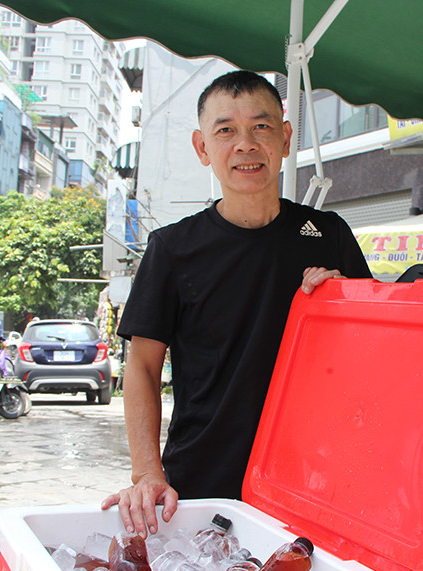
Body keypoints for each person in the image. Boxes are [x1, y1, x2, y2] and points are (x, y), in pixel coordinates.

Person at [102, 70, 372, 537]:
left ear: (285, 139)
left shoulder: (330, 236)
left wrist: (344, 300)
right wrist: (147, 474)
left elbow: (373, 354)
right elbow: (142, 367)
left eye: (261, 127)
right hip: (201, 482)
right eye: (225, 130)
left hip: (313, 482)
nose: (245, 144)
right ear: (202, 147)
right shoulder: (172, 248)